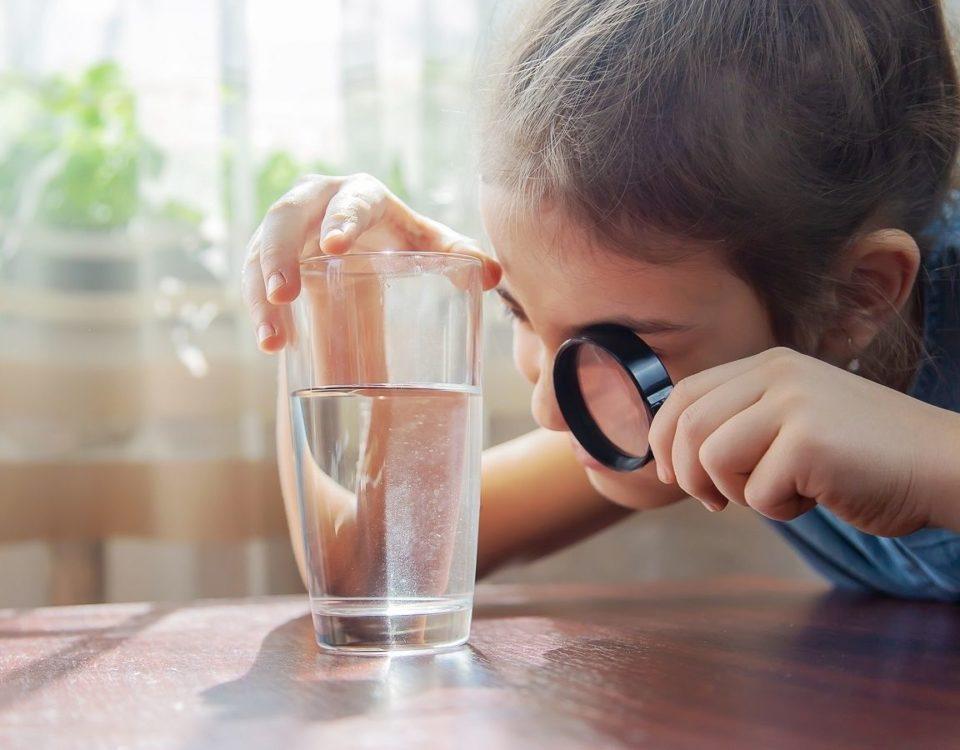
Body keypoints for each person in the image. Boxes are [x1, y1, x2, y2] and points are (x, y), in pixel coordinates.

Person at [242, 0, 960, 601]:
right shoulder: (667, 388)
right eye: (519, 312)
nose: (551, 412)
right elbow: (371, 563)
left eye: (620, 344)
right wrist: (330, 299)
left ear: (854, 299)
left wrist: (934, 463)